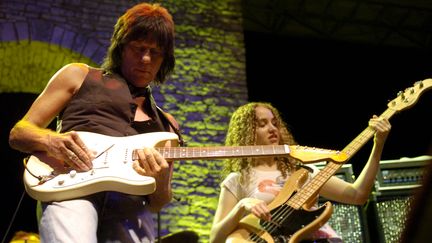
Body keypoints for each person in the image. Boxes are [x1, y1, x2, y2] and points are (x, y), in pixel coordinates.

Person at [9, 2, 180, 242]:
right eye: (138, 48)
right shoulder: (79, 75)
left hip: (130, 207)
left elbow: (158, 203)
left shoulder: (168, 125)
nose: (145, 58)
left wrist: (160, 183)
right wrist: (52, 141)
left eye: (156, 52)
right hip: (70, 186)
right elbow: (19, 133)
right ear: (121, 48)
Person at [209, 102, 391, 243]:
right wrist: (242, 205)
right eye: (262, 124)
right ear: (246, 133)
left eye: (275, 123)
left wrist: (378, 144)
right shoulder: (238, 180)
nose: (272, 129)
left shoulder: (303, 171)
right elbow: (215, 238)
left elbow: (357, 195)